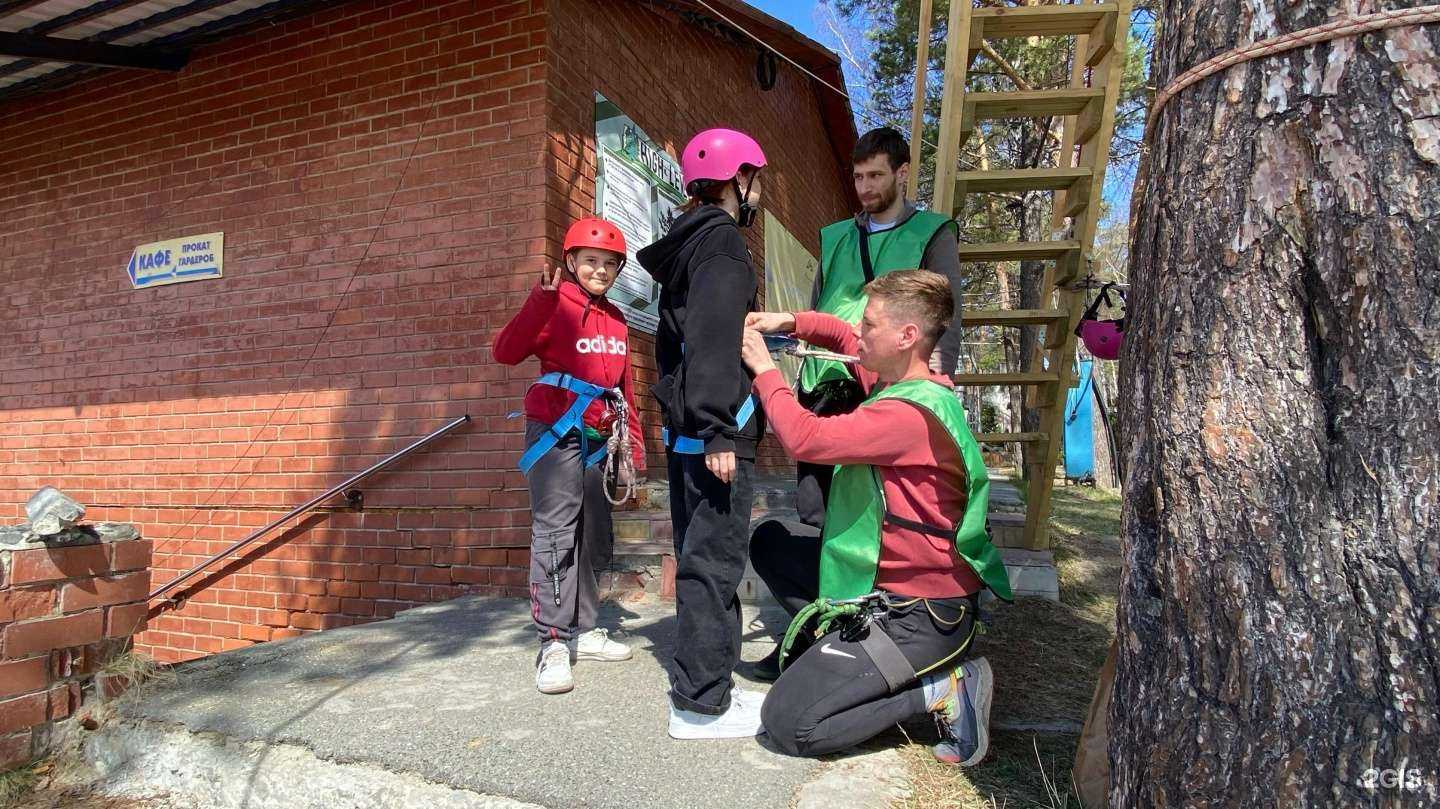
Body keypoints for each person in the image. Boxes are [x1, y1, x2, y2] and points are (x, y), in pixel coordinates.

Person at [739, 270, 1011, 765]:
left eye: (870, 324)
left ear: (907, 336)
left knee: (789, 723)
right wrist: (794, 321)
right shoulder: (907, 381)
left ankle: (946, 688)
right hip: (884, 587)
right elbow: (842, 336)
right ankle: (841, 655)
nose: (858, 333)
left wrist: (765, 369)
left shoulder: (905, 416)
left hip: (921, 616)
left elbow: (807, 439)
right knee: (773, 543)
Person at [636, 128, 768, 739]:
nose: (758, 191)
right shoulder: (721, 246)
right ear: (735, 179)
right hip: (714, 436)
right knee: (713, 565)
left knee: (703, 560)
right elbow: (715, 341)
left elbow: (690, 341)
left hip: (690, 432)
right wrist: (719, 430)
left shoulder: (690, 247)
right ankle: (700, 704)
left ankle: (708, 687)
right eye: (755, 177)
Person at [493, 217, 644, 695]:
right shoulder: (554, 303)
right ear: (572, 262)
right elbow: (505, 351)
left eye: (609, 264)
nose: (600, 270)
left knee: (591, 531)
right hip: (555, 430)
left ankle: (584, 628)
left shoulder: (618, 321)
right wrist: (539, 301)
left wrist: (634, 446)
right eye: (591, 261)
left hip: (601, 433)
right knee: (556, 530)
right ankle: (554, 642)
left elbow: (624, 389)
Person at [795, 127, 966, 535]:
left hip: (891, 383)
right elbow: (818, 303)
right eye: (858, 177)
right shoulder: (836, 237)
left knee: (877, 504)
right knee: (817, 508)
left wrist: (939, 379)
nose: (864, 187)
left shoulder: (932, 233)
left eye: (875, 176)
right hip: (827, 380)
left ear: (902, 173)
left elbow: (947, 314)